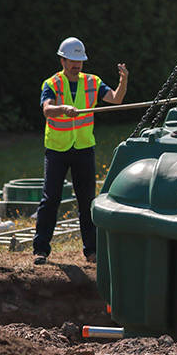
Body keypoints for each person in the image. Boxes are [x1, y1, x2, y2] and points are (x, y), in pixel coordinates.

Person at [35, 37, 128, 265]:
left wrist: (123, 81)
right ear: (62, 60)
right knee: (51, 199)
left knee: (87, 200)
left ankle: (91, 251)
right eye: (73, 60)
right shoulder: (52, 84)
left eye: (80, 60)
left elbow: (116, 99)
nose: (77, 64)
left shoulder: (92, 82)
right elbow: (47, 110)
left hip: (84, 148)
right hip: (57, 149)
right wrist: (62, 109)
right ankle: (41, 250)